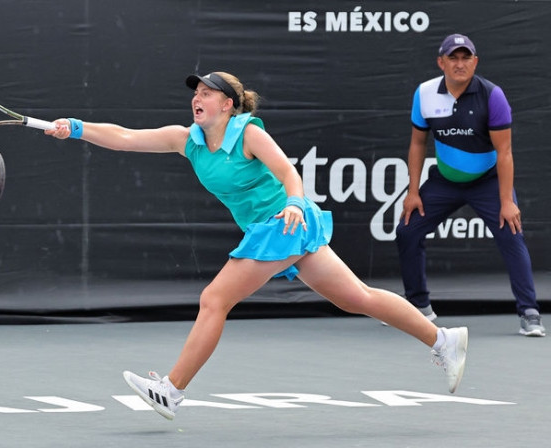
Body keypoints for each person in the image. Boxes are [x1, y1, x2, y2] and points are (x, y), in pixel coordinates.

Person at [46, 71, 469, 420]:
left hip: (283, 223)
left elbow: (288, 171)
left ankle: (171, 390)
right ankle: (442, 340)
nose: (198, 98)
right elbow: (124, 136)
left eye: (207, 93)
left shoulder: (248, 133)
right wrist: (77, 128)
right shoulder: (187, 139)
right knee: (357, 297)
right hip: (276, 229)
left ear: (228, 104)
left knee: (214, 299)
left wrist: (296, 205)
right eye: (196, 93)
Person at [396, 34, 545, 337]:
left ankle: (529, 312)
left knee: (511, 232)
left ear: (475, 62)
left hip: (488, 182)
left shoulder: (493, 95)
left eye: (466, 58)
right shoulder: (424, 93)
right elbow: (417, 143)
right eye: (453, 58)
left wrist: (506, 200)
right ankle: (418, 305)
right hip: (444, 182)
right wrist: (413, 192)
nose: (460, 64)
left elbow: (504, 152)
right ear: (442, 62)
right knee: (407, 230)